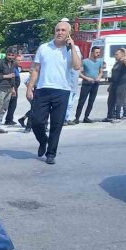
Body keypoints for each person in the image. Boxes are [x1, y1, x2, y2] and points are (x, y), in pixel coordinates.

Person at [26, 21, 82, 165]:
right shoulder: (44, 48)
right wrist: (29, 87)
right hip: (43, 89)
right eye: (57, 30)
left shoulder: (73, 50)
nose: (60, 32)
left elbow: (77, 67)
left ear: (68, 33)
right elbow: (36, 70)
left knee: (56, 125)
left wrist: (72, 47)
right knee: (37, 122)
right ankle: (43, 141)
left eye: (63, 30)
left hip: (62, 91)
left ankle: (51, 153)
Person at [0, 47, 17, 134]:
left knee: (4, 109)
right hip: (0, 89)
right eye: (9, 55)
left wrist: (13, 88)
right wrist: (5, 76)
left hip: (9, 89)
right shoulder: (0, 63)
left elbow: (13, 77)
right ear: (6, 54)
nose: (10, 57)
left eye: (12, 55)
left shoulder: (13, 64)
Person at [74, 46, 104, 124]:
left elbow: (101, 71)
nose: (98, 54)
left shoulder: (100, 61)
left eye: (99, 52)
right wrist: (86, 78)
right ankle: (77, 118)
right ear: (92, 52)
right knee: (82, 101)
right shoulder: (85, 61)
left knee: (91, 101)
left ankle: (86, 117)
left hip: (95, 84)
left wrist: (99, 77)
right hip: (86, 84)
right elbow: (79, 72)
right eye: (97, 52)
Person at [105, 48, 126, 123]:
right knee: (110, 100)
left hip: (121, 84)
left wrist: (124, 58)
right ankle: (110, 116)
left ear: (122, 54)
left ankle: (118, 116)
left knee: (119, 100)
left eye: (117, 54)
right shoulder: (116, 63)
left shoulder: (123, 62)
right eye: (115, 54)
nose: (115, 56)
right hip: (114, 84)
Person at [64, 46, 83, 125]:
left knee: (71, 104)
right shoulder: (68, 62)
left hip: (74, 85)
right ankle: (63, 119)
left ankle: (67, 118)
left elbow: (79, 69)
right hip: (68, 86)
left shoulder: (76, 49)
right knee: (67, 104)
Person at [4, 55, 23, 127]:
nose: (20, 62)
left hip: (15, 87)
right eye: (19, 60)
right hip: (13, 88)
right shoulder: (12, 67)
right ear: (14, 60)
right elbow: (12, 79)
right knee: (11, 104)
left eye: (21, 60)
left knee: (13, 105)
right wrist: (13, 88)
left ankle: (10, 119)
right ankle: (8, 120)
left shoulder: (17, 68)